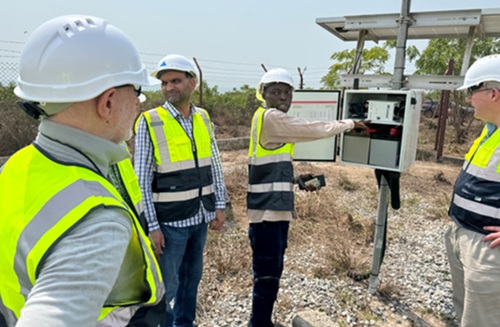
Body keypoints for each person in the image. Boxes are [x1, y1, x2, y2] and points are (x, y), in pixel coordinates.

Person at [0, 15, 165, 327]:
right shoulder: (97, 219)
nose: (140, 102)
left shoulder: (16, 166)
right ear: (108, 102)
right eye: (137, 89)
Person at [247, 68, 369, 327]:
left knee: (271, 272)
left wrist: (296, 179)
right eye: (275, 92)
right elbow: (313, 128)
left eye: (287, 92)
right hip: (267, 213)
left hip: (273, 210)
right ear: (264, 94)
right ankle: (258, 324)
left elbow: (268, 166)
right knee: (267, 275)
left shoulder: (268, 120)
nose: (282, 97)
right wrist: (349, 124)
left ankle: (263, 322)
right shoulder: (270, 117)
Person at [134, 54, 226, 327]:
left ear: (192, 82)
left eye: (175, 80)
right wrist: (152, 225)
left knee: (191, 281)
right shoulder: (149, 121)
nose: (168, 87)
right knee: (165, 288)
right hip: (169, 223)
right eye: (164, 83)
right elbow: (141, 179)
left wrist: (219, 204)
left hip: (200, 217)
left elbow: (215, 162)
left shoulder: (203, 118)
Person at [446, 54, 500, 327]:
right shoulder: (490, 131)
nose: (468, 99)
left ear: (493, 92)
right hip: (463, 233)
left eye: (472, 91)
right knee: (466, 311)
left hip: (488, 247)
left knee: (483, 320)